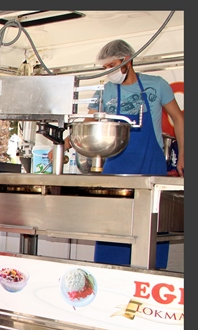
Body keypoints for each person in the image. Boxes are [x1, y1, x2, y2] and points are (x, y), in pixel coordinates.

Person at [61, 39, 185, 268]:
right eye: (105, 68)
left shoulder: (157, 85)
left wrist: (185, 156)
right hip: (115, 170)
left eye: (112, 65)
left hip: (151, 167)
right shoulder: (105, 91)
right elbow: (88, 122)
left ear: (128, 59)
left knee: (151, 232)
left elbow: (179, 118)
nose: (109, 71)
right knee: (111, 229)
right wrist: (63, 145)